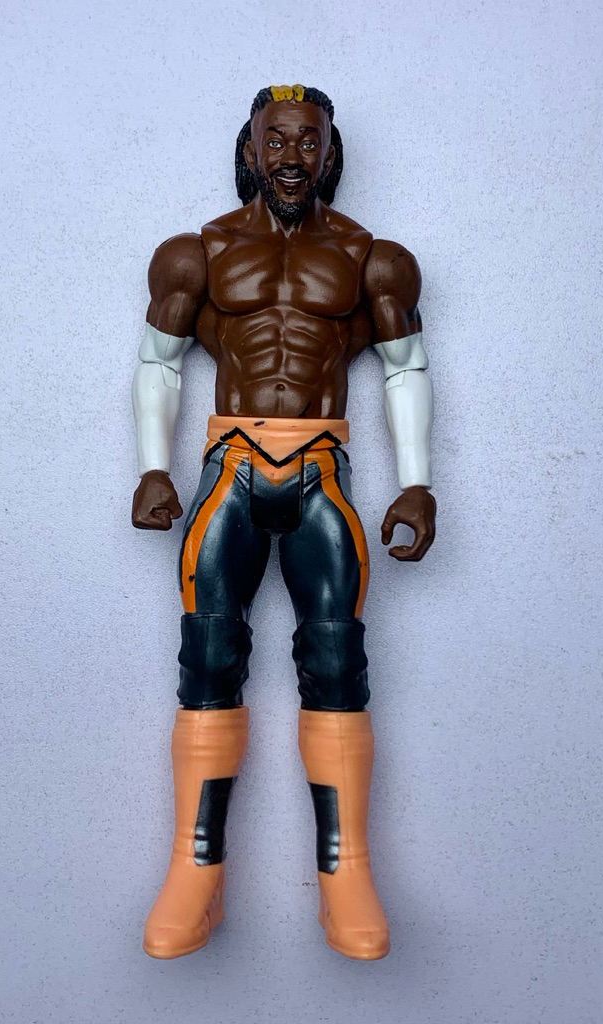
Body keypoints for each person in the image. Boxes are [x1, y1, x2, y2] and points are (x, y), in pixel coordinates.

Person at [131, 84, 436, 960]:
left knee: (337, 662)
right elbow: (158, 362)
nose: (292, 157)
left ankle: (346, 875)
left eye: (309, 141)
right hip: (229, 463)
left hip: (320, 468)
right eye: (277, 141)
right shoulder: (197, 252)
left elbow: (407, 368)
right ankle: (196, 870)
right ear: (251, 149)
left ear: (330, 154)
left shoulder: (374, 259)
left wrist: (417, 483)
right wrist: (152, 466)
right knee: (207, 657)